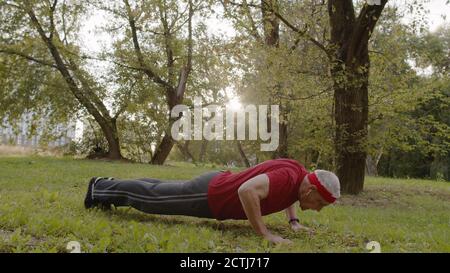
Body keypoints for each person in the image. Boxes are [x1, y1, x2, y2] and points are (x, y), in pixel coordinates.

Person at [84, 158, 340, 244]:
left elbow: (286, 194)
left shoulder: (297, 176)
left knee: (159, 190)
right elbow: (247, 191)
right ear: (311, 192)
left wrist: (293, 221)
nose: (317, 210)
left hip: (214, 186)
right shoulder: (288, 178)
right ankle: (98, 189)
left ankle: (106, 185)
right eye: (320, 204)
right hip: (213, 195)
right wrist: (265, 234)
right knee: (153, 199)